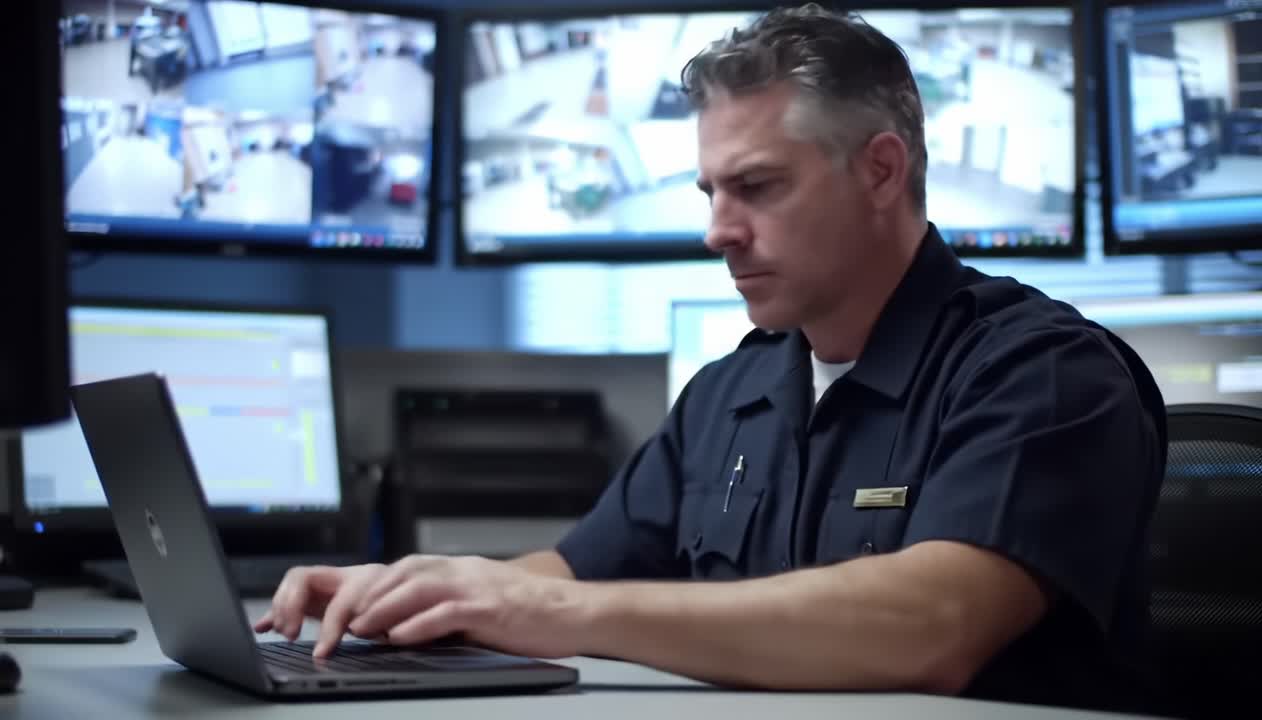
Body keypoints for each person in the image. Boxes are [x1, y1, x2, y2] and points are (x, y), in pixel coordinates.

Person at [256, 5, 1166, 713]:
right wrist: (417, 596)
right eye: (711, 191)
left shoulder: (1041, 372)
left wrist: (555, 616)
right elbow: (571, 576)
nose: (716, 231)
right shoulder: (732, 392)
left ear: (883, 171)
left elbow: (931, 626)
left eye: (758, 187)